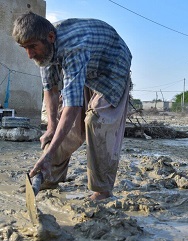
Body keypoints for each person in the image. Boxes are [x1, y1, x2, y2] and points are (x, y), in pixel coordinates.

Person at [13, 12, 132, 200]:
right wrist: (51, 127)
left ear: (50, 38)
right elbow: (51, 90)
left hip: (113, 66)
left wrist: (49, 153)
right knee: (67, 127)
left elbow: (72, 106)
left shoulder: (74, 48)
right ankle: (49, 176)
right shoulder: (43, 49)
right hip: (89, 69)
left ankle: (102, 189)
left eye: (32, 47)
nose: (29, 55)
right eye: (25, 48)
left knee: (97, 122)